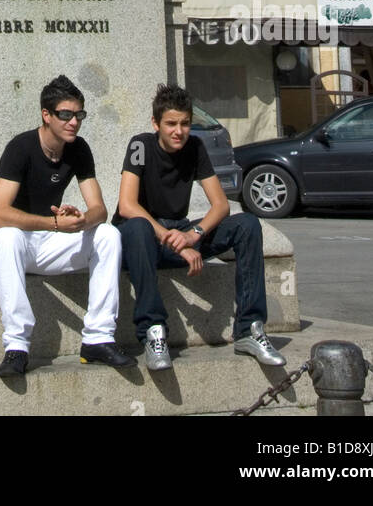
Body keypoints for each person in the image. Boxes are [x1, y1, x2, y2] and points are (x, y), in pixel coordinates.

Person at [114, 83, 286, 372]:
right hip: (144, 241)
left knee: (247, 224)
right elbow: (127, 206)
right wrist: (175, 241)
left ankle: (249, 329)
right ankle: (154, 331)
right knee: (137, 227)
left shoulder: (195, 147)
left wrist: (194, 235)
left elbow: (220, 205)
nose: (178, 131)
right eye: (170, 124)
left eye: (184, 123)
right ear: (156, 123)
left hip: (180, 234)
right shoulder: (140, 146)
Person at [0, 75, 133, 377]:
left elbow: (99, 210)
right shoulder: (21, 147)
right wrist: (53, 223)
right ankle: (17, 346)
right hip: (5, 246)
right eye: (66, 114)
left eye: (79, 115)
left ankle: (98, 338)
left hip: (48, 243)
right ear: (46, 115)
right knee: (10, 236)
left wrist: (79, 220)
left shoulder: (78, 149)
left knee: (107, 234)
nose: (73, 122)